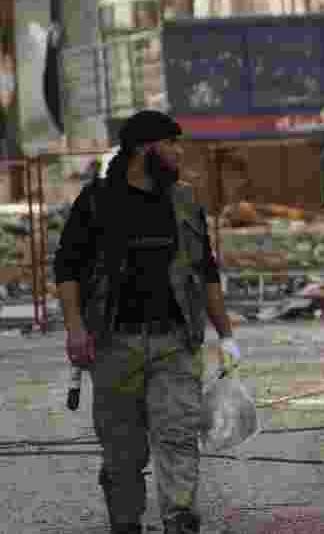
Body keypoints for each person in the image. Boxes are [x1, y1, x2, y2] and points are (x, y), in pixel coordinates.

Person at [54, 110, 240, 534]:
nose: (178, 151)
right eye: (171, 144)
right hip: (115, 344)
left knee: (178, 434)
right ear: (144, 148)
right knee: (123, 448)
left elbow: (206, 272)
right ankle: (126, 522)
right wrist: (75, 329)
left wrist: (227, 336)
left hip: (176, 341)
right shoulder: (97, 200)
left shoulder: (185, 200)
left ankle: (179, 517)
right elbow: (66, 269)